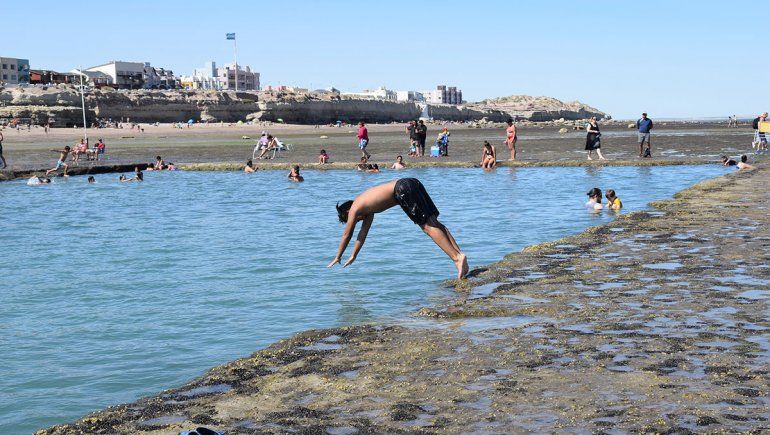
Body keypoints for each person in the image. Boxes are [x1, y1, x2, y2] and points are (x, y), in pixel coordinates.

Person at [328, 178, 468, 279]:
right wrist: (354, 255)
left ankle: (457, 258)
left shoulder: (354, 209)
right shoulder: (367, 209)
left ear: (347, 211)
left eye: (351, 220)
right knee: (434, 223)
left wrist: (338, 256)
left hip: (402, 189)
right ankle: (459, 256)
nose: (355, 221)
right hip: (412, 182)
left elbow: (347, 235)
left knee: (427, 227)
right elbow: (362, 234)